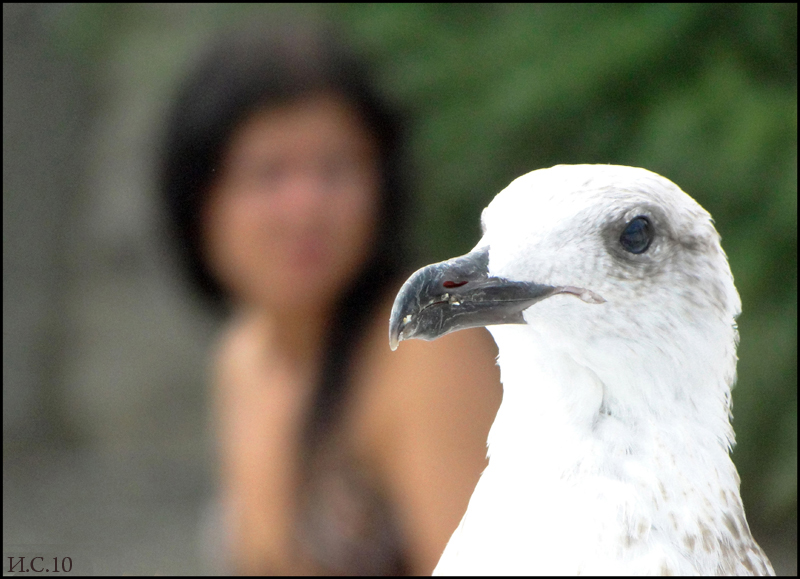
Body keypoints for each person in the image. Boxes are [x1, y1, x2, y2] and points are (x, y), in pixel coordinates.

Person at [160, 20, 502, 575]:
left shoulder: (424, 357)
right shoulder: (242, 356)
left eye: (336, 169)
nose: (306, 210)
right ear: (197, 199)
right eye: (268, 174)